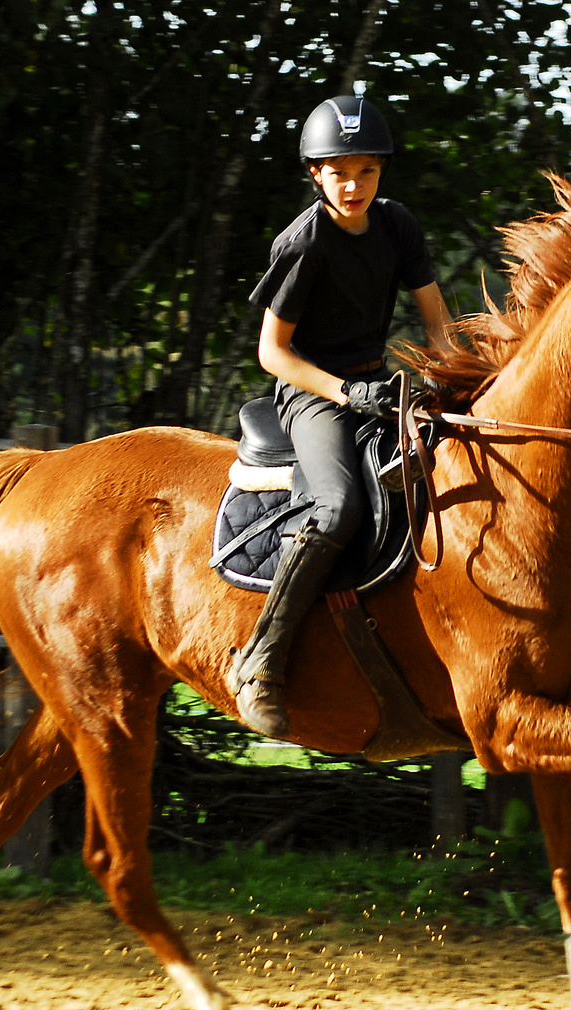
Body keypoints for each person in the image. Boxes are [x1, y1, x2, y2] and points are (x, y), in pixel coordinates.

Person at [228, 95, 454, 737]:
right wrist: (346, 393)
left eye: (367, 171)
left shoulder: (398, 226)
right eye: (339, 171)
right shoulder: (305, 244)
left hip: (377, 385)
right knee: (338, 507)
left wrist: (456, 378)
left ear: (382, 174)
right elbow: (272, 352)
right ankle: (263, 659)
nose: (354, 185)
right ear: (315, 173)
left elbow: (437, 320)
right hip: (310, 394)